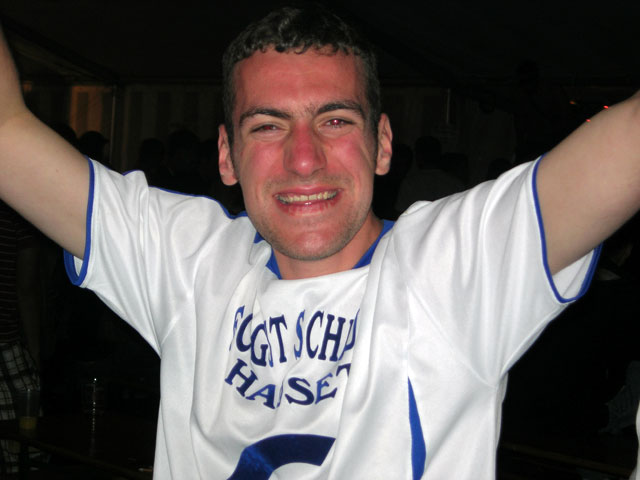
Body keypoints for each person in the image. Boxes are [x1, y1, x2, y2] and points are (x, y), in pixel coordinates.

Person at [0, 6, 639, 479]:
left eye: (334, 120)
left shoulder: (455, 265)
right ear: (226, 155)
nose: (303, 159)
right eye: (267, 126)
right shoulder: (188, 262)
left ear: (382, 144)